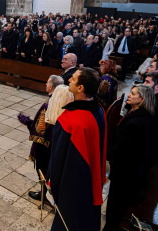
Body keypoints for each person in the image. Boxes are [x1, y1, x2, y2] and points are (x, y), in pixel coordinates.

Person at [48, 67, 106, 231]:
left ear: (80, 88)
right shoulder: (99, 109)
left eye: (73, 79)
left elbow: (58, 157)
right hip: (92, 175)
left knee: (68, 221)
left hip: (72, 182)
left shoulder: (70, 120)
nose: (69, 81)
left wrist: (52, 181)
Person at [105, 85, 156, 231]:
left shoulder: (136, 122)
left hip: (125, 171)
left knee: (115, 203)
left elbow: (123, 149)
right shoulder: (142, 115)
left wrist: (112, 156)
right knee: (118, 202)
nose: (129, 95)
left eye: (133, 94)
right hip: (130, 169)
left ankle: (110, 227)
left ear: (142, 99)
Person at [17, 75, 66, 205]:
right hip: (55, 142)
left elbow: (40, 127)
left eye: (47, 83)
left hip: (45, 144)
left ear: (51, 86)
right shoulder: (62, 101)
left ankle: (43, 194)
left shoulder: (48, 104)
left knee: (42, 168)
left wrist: (27, 122)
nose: (45, 84)